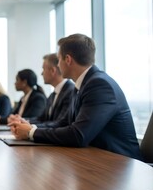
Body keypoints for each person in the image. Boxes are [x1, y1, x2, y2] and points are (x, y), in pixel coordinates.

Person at [10, 34, 142, 160]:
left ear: (68, 59)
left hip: (121, 165)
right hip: (97, 158)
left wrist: (31, 132)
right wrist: (30, 127)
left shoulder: (99, 85)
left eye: (59, 59)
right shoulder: (81, 84)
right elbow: (64, 123)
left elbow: (78, 135)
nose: (58, 64)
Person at [9, 54, 74, 127]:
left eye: (43, 69)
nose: (41, 73)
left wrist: (31, 128)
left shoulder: (71, 92)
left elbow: (60, 124)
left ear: (52, 70)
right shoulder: (53, 95)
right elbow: (41, 119)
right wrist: (23, 121)